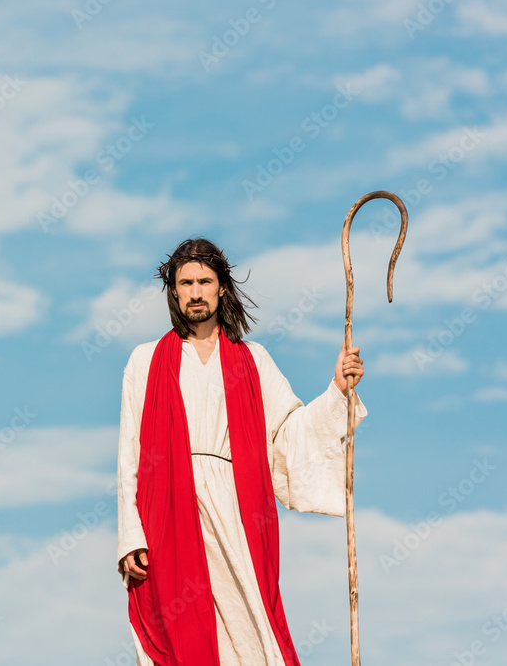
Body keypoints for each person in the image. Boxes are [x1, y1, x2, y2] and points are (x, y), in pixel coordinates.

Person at [116, 237, 367, 665]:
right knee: (175, 633)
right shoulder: (145, 361)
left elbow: (290, 433)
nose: (195, 292)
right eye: (186, 283)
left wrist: (337, 392)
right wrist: (130, 537)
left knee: (251, 629)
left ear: (221, 288)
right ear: (174, 291)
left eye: (204, 281)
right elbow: (130, 456)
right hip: (168, 513)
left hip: (236, 511)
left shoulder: (253, 360)